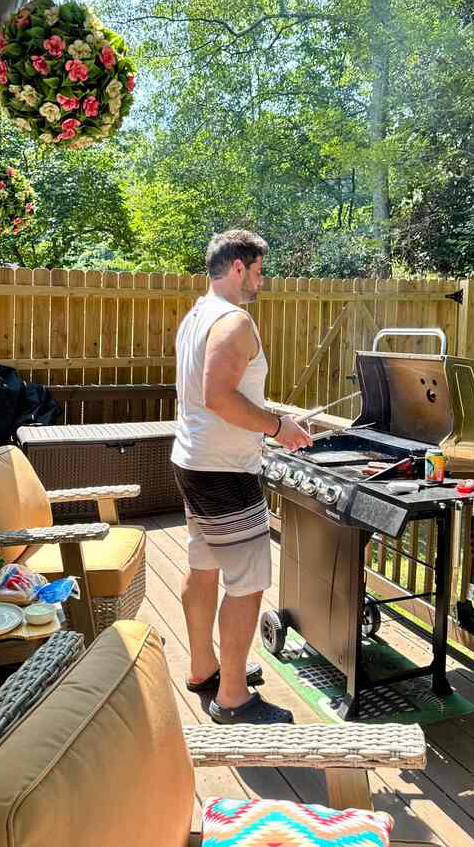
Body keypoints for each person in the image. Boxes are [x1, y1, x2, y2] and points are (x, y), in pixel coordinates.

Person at [171, 229, 313, 725]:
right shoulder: (235, 322)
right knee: (248, 581)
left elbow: (218, 395)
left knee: (203, 563)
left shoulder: (196, 315)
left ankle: (203, 668)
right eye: (257, 270)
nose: (260, 279)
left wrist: (275, 419)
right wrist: (277, 427)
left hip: (193, 460)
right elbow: (219, 397)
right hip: (224, 472)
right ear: (237, 267)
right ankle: (233, 697)